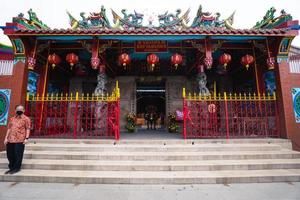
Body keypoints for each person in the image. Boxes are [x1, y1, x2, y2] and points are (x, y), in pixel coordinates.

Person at [3, 105, 31, 174]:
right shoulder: (12, 119)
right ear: (15, 110)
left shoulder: (26, 119)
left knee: (18, 154)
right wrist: (6, 138)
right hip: (10, 139)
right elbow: (9, 128)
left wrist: (26, 138)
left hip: (20, 139)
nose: (19, 111)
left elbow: (28, 129)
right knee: (10, 154)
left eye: (21, 109)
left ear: (24, 110)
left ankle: (17, 168)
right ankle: (11, 167)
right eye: (18, 109)